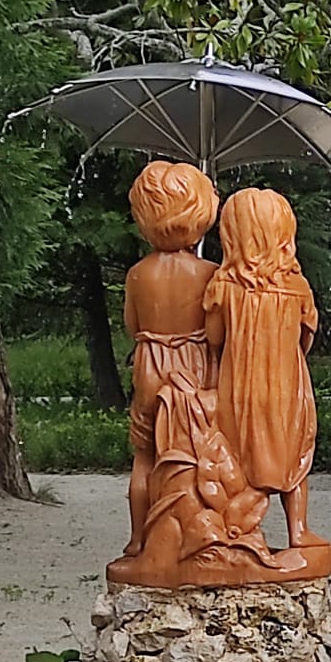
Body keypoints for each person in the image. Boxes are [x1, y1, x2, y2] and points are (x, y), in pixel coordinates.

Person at [203, 187, 327, 550]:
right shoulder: (298, 286)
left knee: (239, 455)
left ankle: (239, 528)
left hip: (240, 385)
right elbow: (306, 340)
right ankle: (298, 530)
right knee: (296, 460)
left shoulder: (223, 285)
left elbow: (214, 339)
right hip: (289, 387)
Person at [120, 161, 221, 557]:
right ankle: (194, 529)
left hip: (150, 365)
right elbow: (216, 333)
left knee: (145, 456)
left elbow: (132, 325)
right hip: (194, 367)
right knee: (197, 454)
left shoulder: (137, 274)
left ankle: (138, 538)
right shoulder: (210, 272)